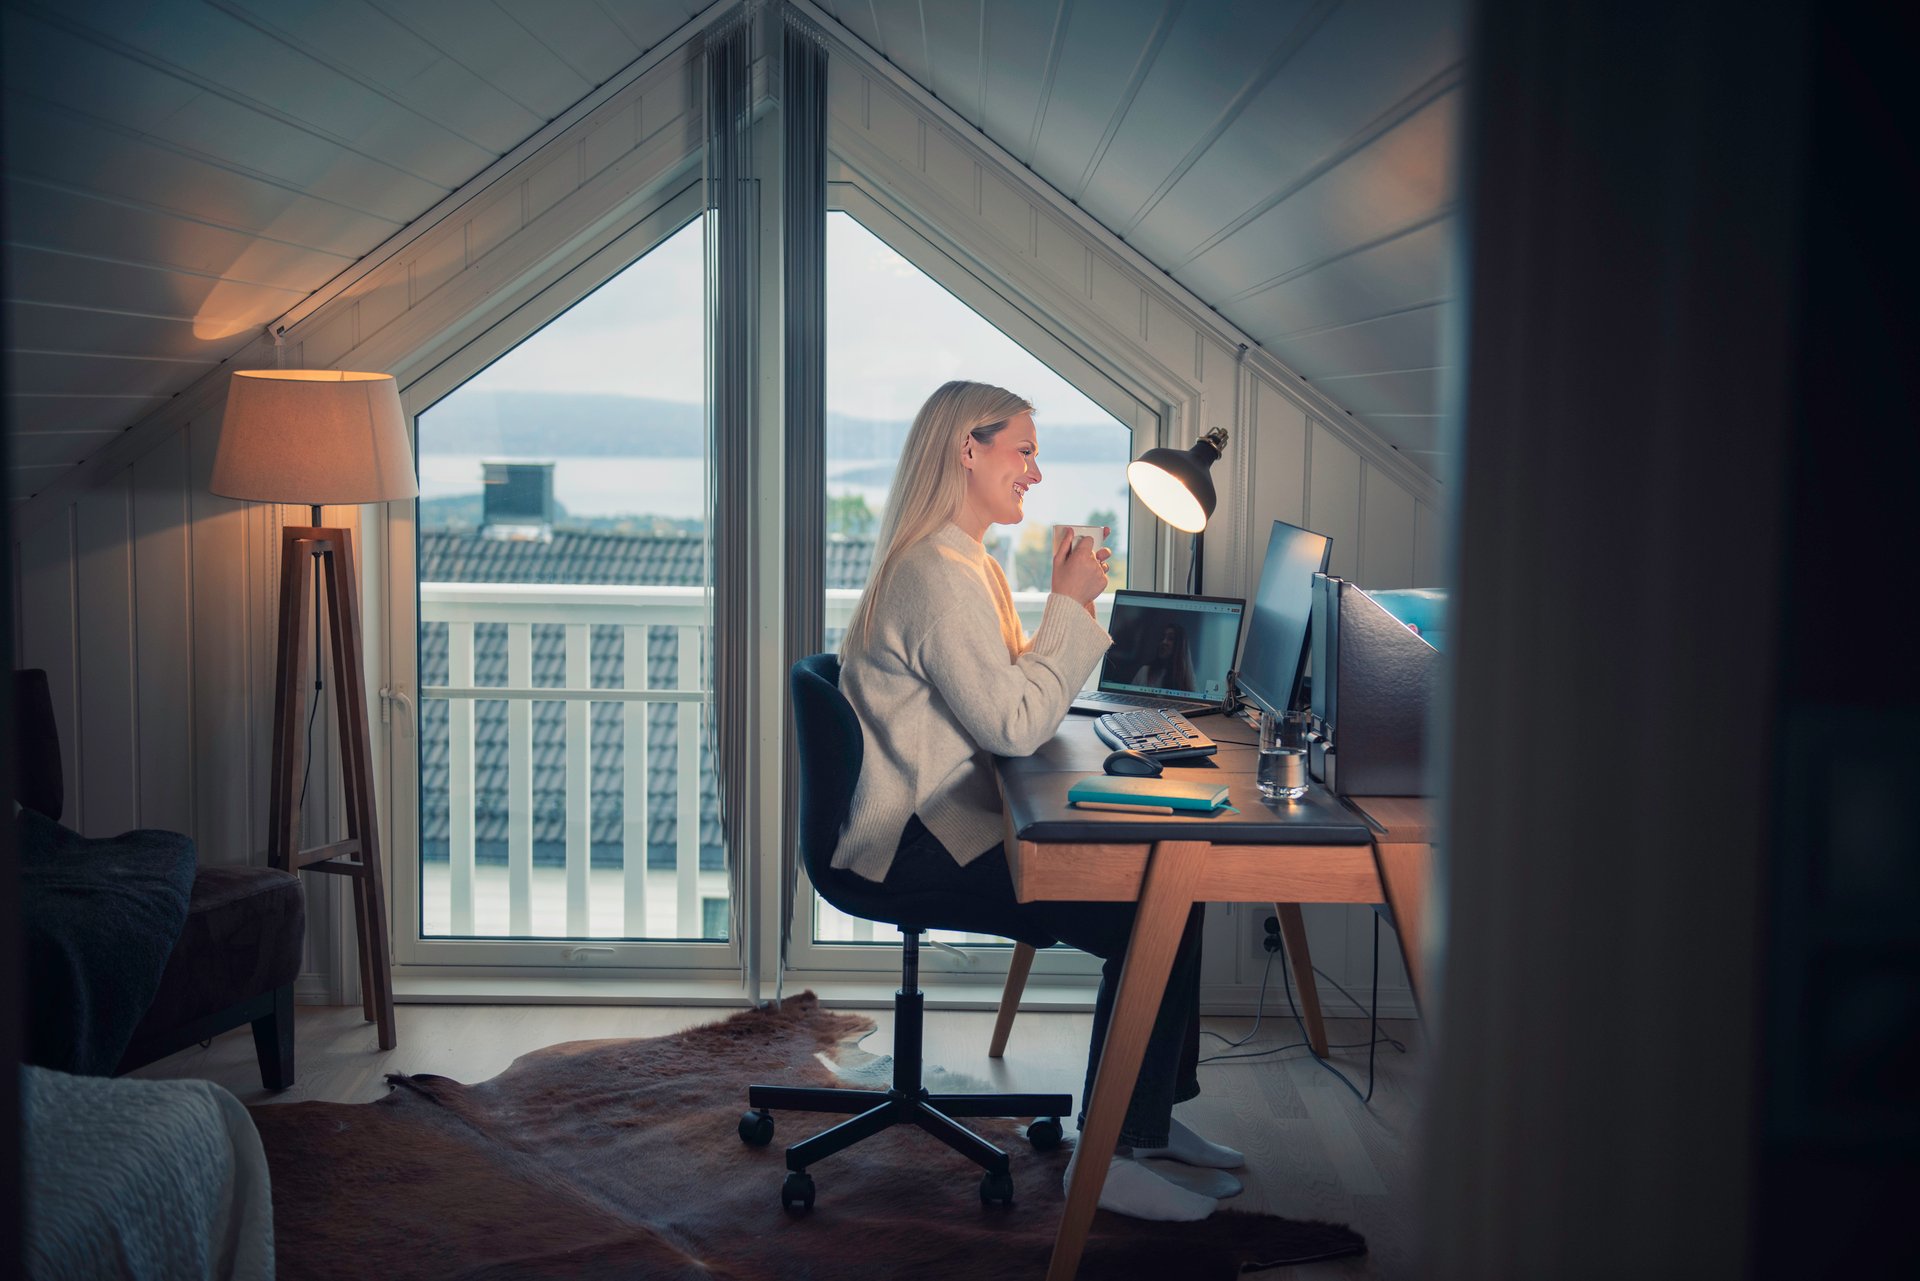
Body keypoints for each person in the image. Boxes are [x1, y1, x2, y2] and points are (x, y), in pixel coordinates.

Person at [832, 380, 1244, 1222]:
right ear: (967, 450)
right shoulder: (936, 576)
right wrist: (1069, 605)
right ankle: (1111, 1155)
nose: (1036, 471)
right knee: (1150, 906)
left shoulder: (964, 561)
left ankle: (1145, 1125)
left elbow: (1008, 695)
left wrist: (1059, 615)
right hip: (918, 843)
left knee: (1175, 893)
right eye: (1023, 450)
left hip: (946, 820)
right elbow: (1016, 724)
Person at [1128, 618, 1197, 691]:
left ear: (1180, 646)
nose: (1164, 642)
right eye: (1162, 637)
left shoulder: (1186, 678)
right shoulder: (1144, 671)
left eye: (1170, 638)